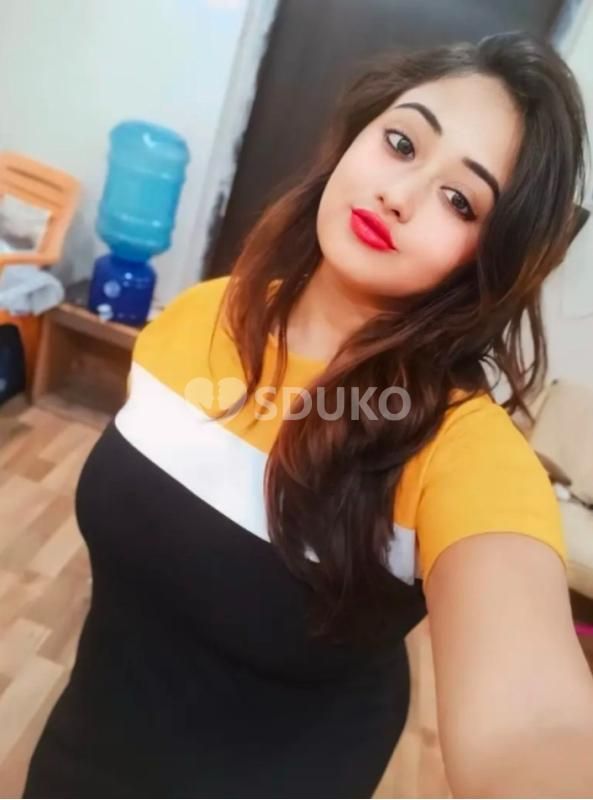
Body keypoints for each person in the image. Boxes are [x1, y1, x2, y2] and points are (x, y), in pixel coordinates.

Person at [24, 31, 593, 798]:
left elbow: (537, 727)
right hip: (82, 754)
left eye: (460, 200)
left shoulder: (463, 450)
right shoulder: (203, 313)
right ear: (356, 133)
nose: (400, 194)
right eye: (401, 143)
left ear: (488, 259)